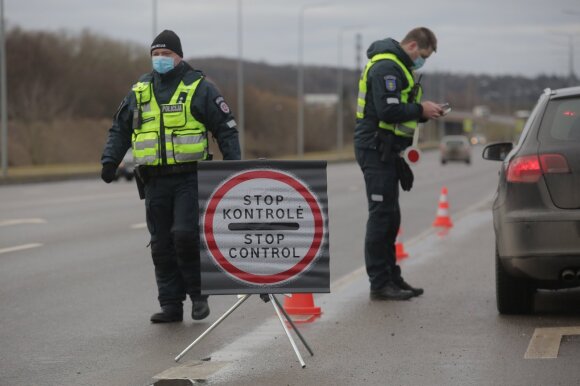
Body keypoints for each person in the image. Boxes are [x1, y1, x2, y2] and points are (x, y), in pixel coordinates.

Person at [100, 30, 241, 322]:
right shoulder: (140, 90)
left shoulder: (199, 87)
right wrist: (110, 160)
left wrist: (233, 166)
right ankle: (170, 305)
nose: (160, 59)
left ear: (179, 57)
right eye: (155, 54)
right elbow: (120, 129)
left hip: (191, 178)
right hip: (154, 180)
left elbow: (225, 127)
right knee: (161, 243)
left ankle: (199, 295)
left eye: (166, 54)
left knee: (185, 236)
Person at [354, 27, 442, 301]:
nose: (422, 62)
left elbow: (398, 110)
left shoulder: (398, 67)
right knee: (381, 216)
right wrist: (420, 109)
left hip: (387, 149)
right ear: (413, 45)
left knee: (391, 217)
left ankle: (392, 276)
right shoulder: (386, 68)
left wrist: (425, 113)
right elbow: (388, 110)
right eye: (423, 56)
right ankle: (379, 283)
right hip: (375, 148)